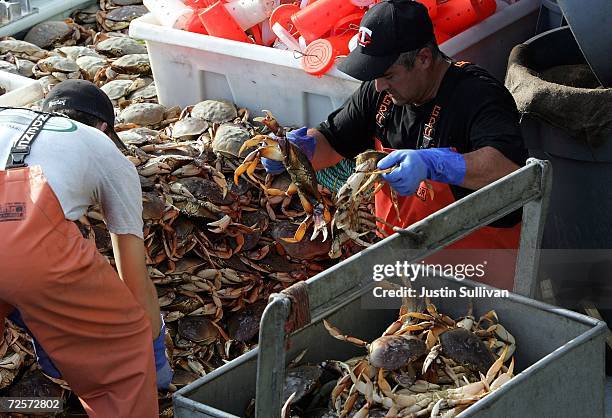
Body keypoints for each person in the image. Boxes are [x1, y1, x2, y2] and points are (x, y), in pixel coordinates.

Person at [263, 0, 527, 290]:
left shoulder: (478, 95)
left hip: (480, 276)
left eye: (388, 74)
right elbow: (333, 140)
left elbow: (509, 168)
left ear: (424, 58)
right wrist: (298, 150)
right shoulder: (381, 93)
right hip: (404, 271)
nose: (378, 86)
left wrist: (435, 164)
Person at [0, 80, 171, 417]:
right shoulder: (101, 147)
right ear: (104, 127)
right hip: (26, 252)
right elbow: (134, 280)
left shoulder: (7, 115)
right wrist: (150, 350)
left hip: (20, 257)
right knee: (122, 362)